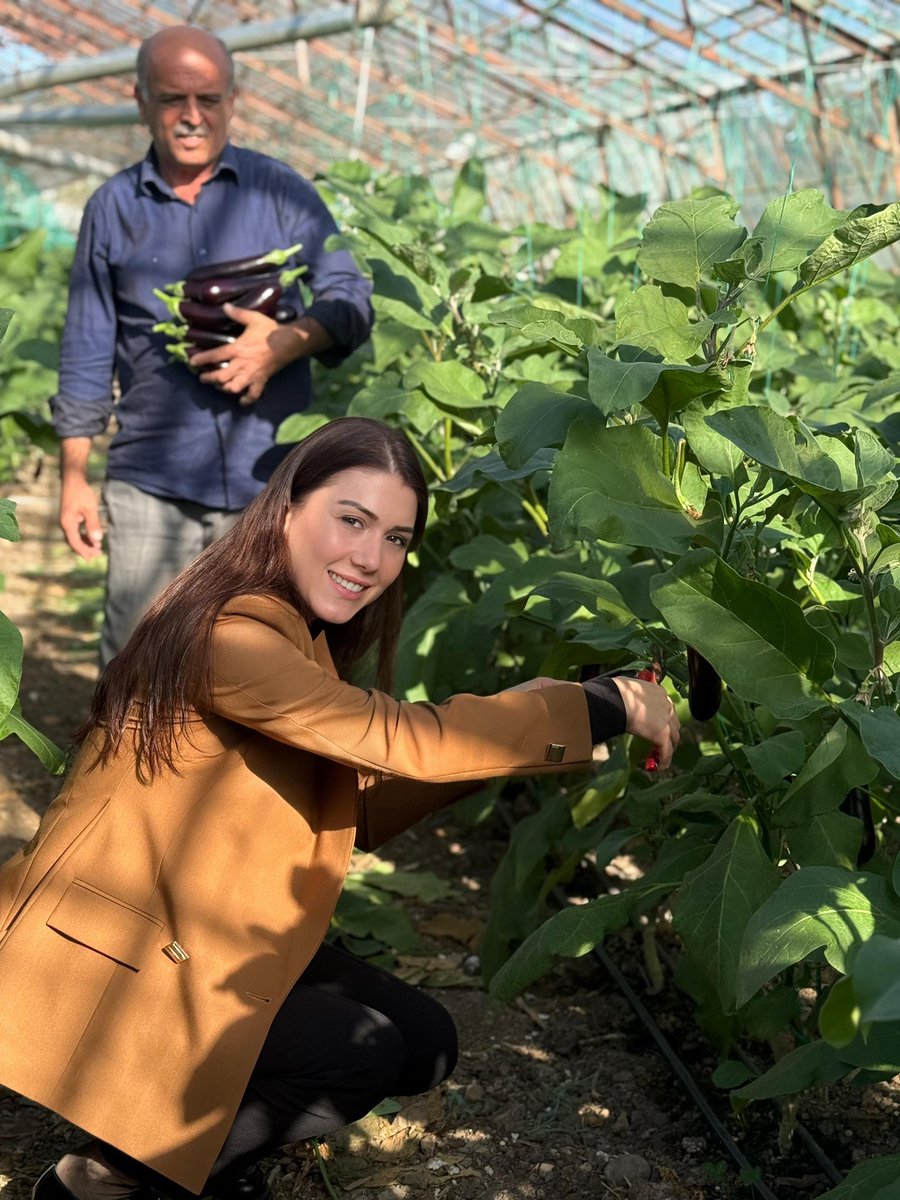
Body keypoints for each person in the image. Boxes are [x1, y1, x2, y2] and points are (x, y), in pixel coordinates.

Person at [0, 418, 680, 1200]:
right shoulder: (232, 635)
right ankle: (98, 1181)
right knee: (353, 1052)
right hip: (113, 951)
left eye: (395, 537)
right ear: (286, 508)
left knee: (422, 1043)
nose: (371, 557)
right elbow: (391, 737)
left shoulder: (296, 635)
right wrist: (596, 707)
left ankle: (171, 1163)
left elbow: (362, 805)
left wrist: (527, 714)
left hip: (190, 925)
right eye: (351, 520)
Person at [51, 25, 374, 666]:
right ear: (141, 101)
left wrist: (284, 342)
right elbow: (88, 344)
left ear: (233, 99)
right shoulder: (112, 207)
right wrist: (74, 478)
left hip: (272, 484)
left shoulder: (280, 192)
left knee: (265, 666)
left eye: (209, 99)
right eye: (173, 99)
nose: (192, 116)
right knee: (138, 663)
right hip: (151, 480)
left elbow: (351, 297)